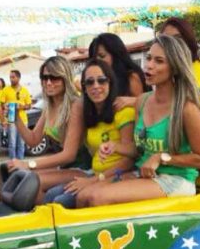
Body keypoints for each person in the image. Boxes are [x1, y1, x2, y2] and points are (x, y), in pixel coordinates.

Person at [76, 35, 200, 208]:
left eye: (159, 61)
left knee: (98, 198)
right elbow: (139, 150)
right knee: (83, 196)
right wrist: (114, 146)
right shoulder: (142, 101)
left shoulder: (187, 109)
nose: (149, 65)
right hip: (142, 174)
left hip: (174, 179)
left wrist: (161, 158)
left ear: (175, 68)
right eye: (148, 58)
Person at [44, 59, 136, 208]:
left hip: (118, 175)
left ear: (110, 83)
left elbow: (130, 161)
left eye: (101, 81)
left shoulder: (123, 112)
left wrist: (94, 180)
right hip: (95, 173)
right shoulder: (90, 115)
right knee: (50, 195)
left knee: (61, 201)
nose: (96, 86)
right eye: (90, 82)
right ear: (84, 88)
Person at [6, 56, 88, 201]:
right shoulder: (49, 107)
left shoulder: (75, 105)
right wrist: (16, 117)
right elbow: (33, 140)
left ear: (65, 78)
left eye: (54, 78)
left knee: (30, 184)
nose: (48, 82)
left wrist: (28, 164)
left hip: (84, 169)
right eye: (44, 78)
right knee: (19, 178)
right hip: (64, 168)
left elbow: (69, 155)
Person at [159, 17, 200, 166]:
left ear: (188, 40)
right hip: (179, 142)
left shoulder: (199, 68)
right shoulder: (171, 68)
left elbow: (184, 102)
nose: (173, 44)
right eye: (167, 39)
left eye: (178, 38)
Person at [88, 32, 146, 109]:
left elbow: (143, 108)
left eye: (102, 56)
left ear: (115, 55)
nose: (98, 61)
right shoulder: (94, 81)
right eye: (94, 58)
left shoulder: (130, 77)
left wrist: (134, 101)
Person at [0, 70, 32, 160]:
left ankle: (20, 162)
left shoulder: (24, 90)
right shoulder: (6, 89)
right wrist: (5, 106)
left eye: (13, 77)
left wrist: (22, 107)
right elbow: (1, 104)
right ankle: (13, 162)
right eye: (10, 77)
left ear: (18, 78)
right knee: (12, 143)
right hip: (11, 119)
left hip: (22, 120)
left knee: (21, 143)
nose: (11, 79)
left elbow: (29, 105)